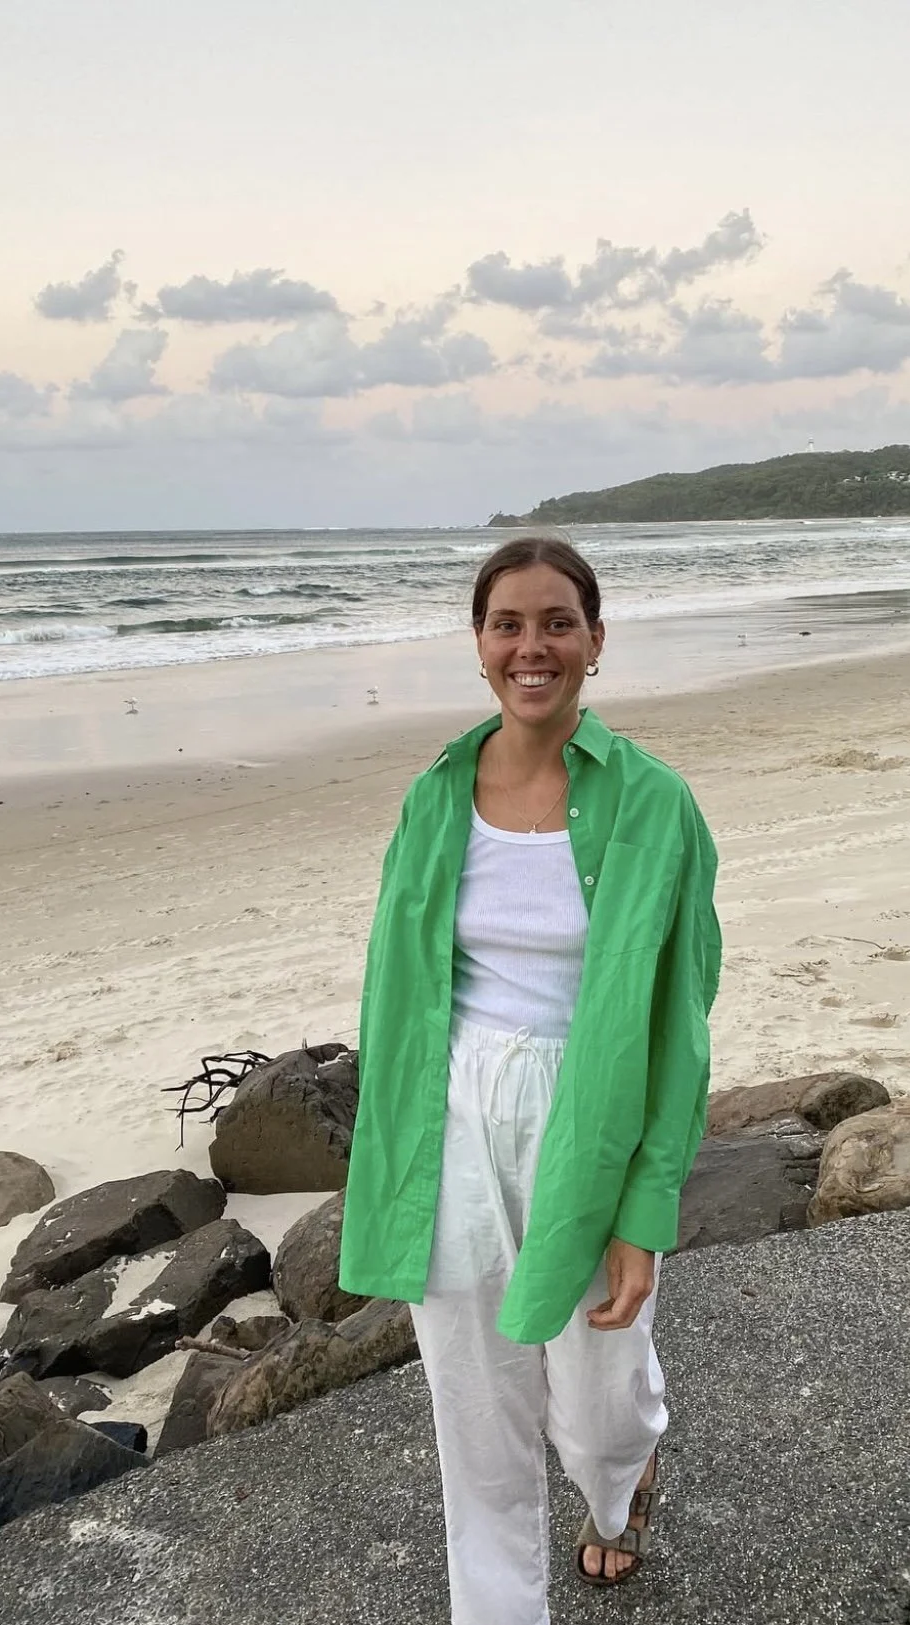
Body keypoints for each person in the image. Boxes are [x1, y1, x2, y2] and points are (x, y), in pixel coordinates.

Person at [339, 533, 721, 1624]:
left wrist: (645, 1206)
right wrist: (388, 1159)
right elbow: (397, 998)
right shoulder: (432, 797)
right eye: (508, 623)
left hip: (583, 1120)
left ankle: (625, 1477)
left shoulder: (655, 803)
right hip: (451, 1117)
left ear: (596, 641)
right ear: (479, 644)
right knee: (477, 1414)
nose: (532, 645)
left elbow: (680, 1022)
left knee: (600, 1408)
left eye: (557, 621)